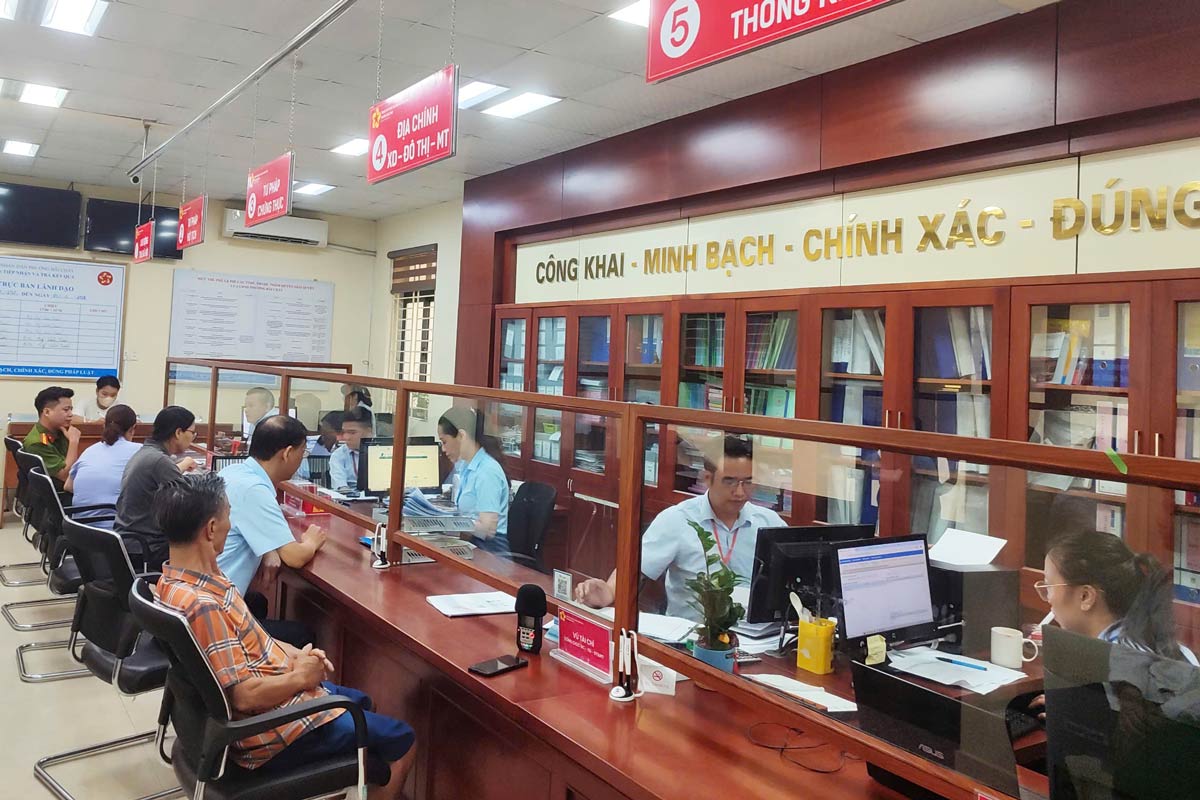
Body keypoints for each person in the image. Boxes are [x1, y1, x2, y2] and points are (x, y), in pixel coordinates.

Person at [153, 473, 415, 795]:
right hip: (267, 735)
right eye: (228, 517)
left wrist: (294, 655)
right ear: (210, 529)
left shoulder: (180, 581)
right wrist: (301, 678)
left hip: (268, 698)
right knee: (402, 740)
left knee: (361, 701)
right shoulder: (203, 605)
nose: (231, 524)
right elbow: (244, 696)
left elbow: (250, 637)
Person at [575, 435, 785, 621]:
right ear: (707, 478)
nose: (740, 492)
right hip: (692, 638)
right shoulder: (677, 519)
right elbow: (636, 570)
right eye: (729, 482)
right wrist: (608, 592)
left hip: (758, 641)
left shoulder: (768, 522)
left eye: (747, 482)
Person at [217, 415, 328, 646]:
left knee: (257, 602)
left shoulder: (235, 473)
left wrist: (268, 549)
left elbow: (244, 524)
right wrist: (311, 541)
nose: (301, 459)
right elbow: (295, 558)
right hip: (217, 614)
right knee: (302, 635)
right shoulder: (254, 490)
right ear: (287, 453)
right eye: (302, 452)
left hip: (205, 597)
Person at [114, 405, 199, 569]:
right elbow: (189, 502)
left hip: (130, 540)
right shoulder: (159, 461)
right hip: (146, 547)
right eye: (192, 433)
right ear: (178, 432)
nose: (193, 437)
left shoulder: (146, 452)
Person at [437, 407, 510, 555]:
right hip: (472, 544)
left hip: (490, 552)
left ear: (462, 436)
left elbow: (487, 528)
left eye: (444, 442)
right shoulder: (466, 465)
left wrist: (449, 522)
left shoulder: (487, 471)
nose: (443, 449)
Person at [63, 404, 140, 529]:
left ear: (104, 426)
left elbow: (68, 486)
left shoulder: (90, 450)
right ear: (133, 429)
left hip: (79, 531)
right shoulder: (139, 451)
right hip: (113, 532)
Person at [23, 386, 81, 488]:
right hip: (57, 493)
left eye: (71, 409)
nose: (71, 414)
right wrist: (73, 442)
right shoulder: (37, 442)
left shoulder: (58, 430)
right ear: (47, 412)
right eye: (66, 410)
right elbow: (65, 476)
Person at [329, 407, 372, 493]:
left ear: (368, 432)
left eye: (352, 432)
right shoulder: (339, 455)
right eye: (344, 432)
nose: (346, 437)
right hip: (352, 500)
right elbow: (341, 487)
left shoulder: (382, 452)